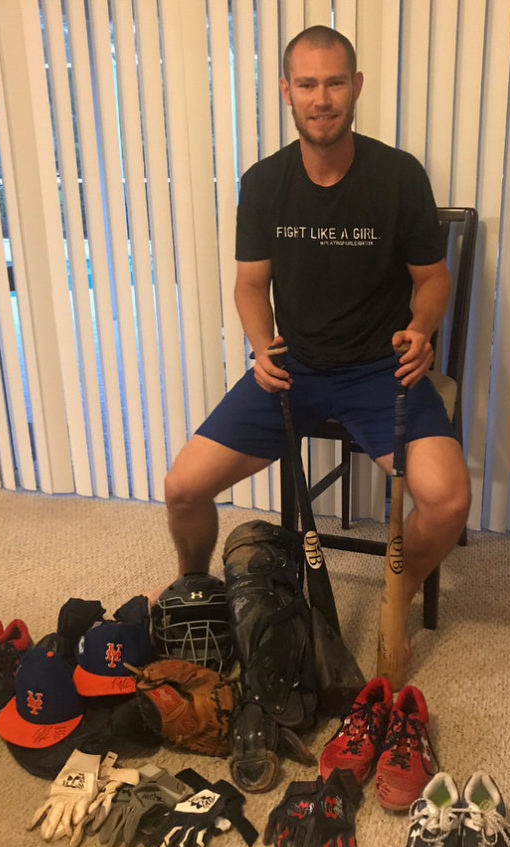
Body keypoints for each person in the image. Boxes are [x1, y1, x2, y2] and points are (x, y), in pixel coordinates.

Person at [162, 25, 471, 663]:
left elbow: (432, 279)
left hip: (380, 371)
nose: (321, 98)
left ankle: (400, 586)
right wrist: (260, 345)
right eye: (307, 84)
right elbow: (251, 285)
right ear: (286, 91)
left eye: (334, 82)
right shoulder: (265, 181)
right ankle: (197, 587)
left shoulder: (398, 175)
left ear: (355, 87)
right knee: (182, 488)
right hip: (292, 369)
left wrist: (422, 328)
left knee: (448, 500)